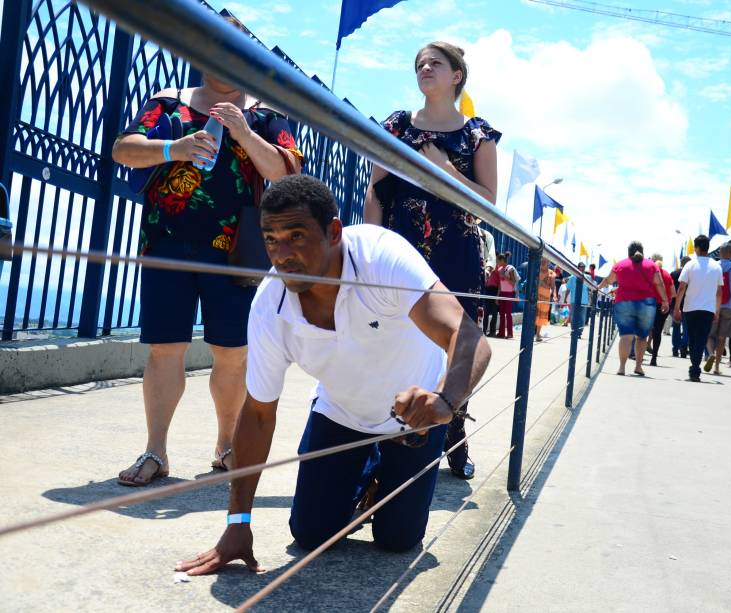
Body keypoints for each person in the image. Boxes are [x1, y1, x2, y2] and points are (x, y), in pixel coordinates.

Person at [175, 176, 491, 574]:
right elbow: (257, 415)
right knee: (310, 535)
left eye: (296, 235)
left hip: (416, 419)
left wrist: (444, 402)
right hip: (342, 413)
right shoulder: (270, 307)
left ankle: (383, 470)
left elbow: (469, 337)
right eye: (271, 239)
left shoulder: (381, 258)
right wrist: (238, 522)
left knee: (397, 540)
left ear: (334, 232)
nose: (282, 253)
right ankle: (364, 468)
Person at [112, 19, 303, 486]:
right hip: (167, 241)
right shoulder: (168, 103)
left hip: (238, 250)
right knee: (164, 348)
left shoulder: (265, 114)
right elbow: (123, 149)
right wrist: (172, 147)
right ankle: (155, 450)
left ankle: (226, 446)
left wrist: (243, 133)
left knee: (233, 351)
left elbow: (285, 171)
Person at [364, 41, 500, 480]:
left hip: (456, 257)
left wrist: (447, 169)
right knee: (394, 340)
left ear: (456, 75)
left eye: (435, 63)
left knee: (455, 347)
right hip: (401, 253)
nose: (425, 67)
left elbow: (486, 204)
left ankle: (453, 437)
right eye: (419, 62)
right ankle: (387, 434)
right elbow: (375, 191)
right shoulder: (398, 125)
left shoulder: (477, 135)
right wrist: (373, 249)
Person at [598, 242, 668, 376]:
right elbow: (659, 283)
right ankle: (638, 367)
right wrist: (665, 300)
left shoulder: (620, 264)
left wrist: (597, 288)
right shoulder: (652, 266)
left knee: (626, 336)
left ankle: (622, 367)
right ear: (642, 252)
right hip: (646, 303)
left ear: (628, 252)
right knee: (642, 337)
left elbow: (608, 280)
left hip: (624, 302)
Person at [672, 236, 723, 382]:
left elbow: (682, 287)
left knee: (693, 339)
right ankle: (695, 367)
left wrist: (676, 308)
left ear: (697, 248)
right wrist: (717, 311)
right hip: (708, 309)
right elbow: (719, 292)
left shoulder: (690, 265)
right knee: (701, 339)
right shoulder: (716, 266)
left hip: (690, 308)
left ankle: (695, 367)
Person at [704, 243, 731, 375]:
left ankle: (710, 353)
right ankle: (716, 367)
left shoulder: (713, 266)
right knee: (722, 337)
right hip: (730, 306)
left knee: (708, 334)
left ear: (720, 253)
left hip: (712, 305)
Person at [647, 254, 676, 367]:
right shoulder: (667, 275)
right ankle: (654, 357)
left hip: (649, 304)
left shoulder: (650, 274)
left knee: (645, 328)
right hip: (663, 306)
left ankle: (638, 353)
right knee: (657, 331)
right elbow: (673, 293)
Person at [567, 262, 593, 340]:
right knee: (573, 317)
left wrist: (590, 299)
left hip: (584, 300)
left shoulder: (587, 277)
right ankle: (573, 331)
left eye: (584, 267)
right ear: (578, 267)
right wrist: (565, 298)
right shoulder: (572, 277)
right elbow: (568, 288)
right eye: (581, 266)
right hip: (574, 300)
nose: (582, 268)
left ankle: (579, 332)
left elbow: (591, 288)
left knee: (582, 318)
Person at [671, 256, 691, 358]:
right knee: (687, 328)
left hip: (675, 304)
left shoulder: (674, 274)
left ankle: (675, 348)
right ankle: (684, 347)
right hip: (688, 304)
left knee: (676, 326)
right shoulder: (692, 274)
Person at [496, 252, 518, 339]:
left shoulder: (510, 269)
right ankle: (501, 333)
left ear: (502, 260)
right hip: (502, 293)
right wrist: (497, 296)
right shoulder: (500, 269)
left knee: (508, 314)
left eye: (498, 260)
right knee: (501, 313)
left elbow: (513, 283)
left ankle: (510, 333)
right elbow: (500, 284)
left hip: (509, 293)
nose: (497, 262)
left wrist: (505, 277)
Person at [535, 258, 556, 342]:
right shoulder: (536, 270)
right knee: (534, 314)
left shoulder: (551, 273)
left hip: (545, 298)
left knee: (541, 316)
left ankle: (537, 333)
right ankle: (534, 333)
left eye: (545, 261)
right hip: (535, 296)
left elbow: (553, 286)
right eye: (542, 261)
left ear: (548, 262)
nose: (543, 263)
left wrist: (554, 295)